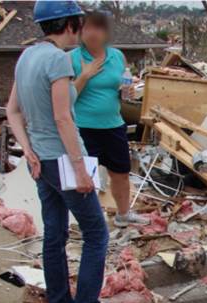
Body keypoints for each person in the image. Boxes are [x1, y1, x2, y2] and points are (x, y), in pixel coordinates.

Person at [6, 0, 124, 303]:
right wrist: (80, 169)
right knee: (96, 235)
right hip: (62, 160)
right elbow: (62, 118)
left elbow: (13, 111)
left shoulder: (27, 56)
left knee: (55, 234)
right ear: (69, 24)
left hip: (41, 162)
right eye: (78, 24)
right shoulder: (57, 59)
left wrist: (27, 150)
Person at [70, 10, 148, 227]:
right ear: (80, 32)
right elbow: (66, 96)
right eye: (87, 28)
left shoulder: (117, 56)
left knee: (121, 172)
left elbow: (121, 88)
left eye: (98, 28)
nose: (93, 33)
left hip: (113, 125)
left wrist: (128, 92)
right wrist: (85, 75)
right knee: (87, 179)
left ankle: (123, 214)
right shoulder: (72, 59)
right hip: (84, 128)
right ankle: (91, 221)